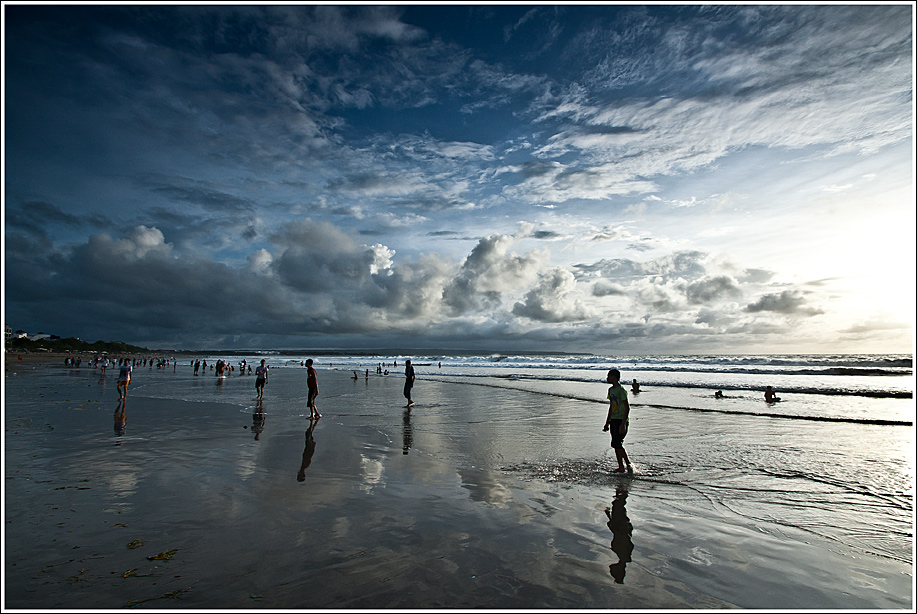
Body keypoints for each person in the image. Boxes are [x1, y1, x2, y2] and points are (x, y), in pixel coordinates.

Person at [603, 368, 632, 474]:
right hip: (614, 420)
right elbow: (611, 407)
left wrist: (623, 423)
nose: (607, 378)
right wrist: (607, 422)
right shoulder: (611, 390)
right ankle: (621, 466)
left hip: (621, 420)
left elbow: (627, 407)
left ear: (614, 377)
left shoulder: (621, 390)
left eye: (609, 376)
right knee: (615, 444)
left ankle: (628, 463)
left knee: (617, 443)